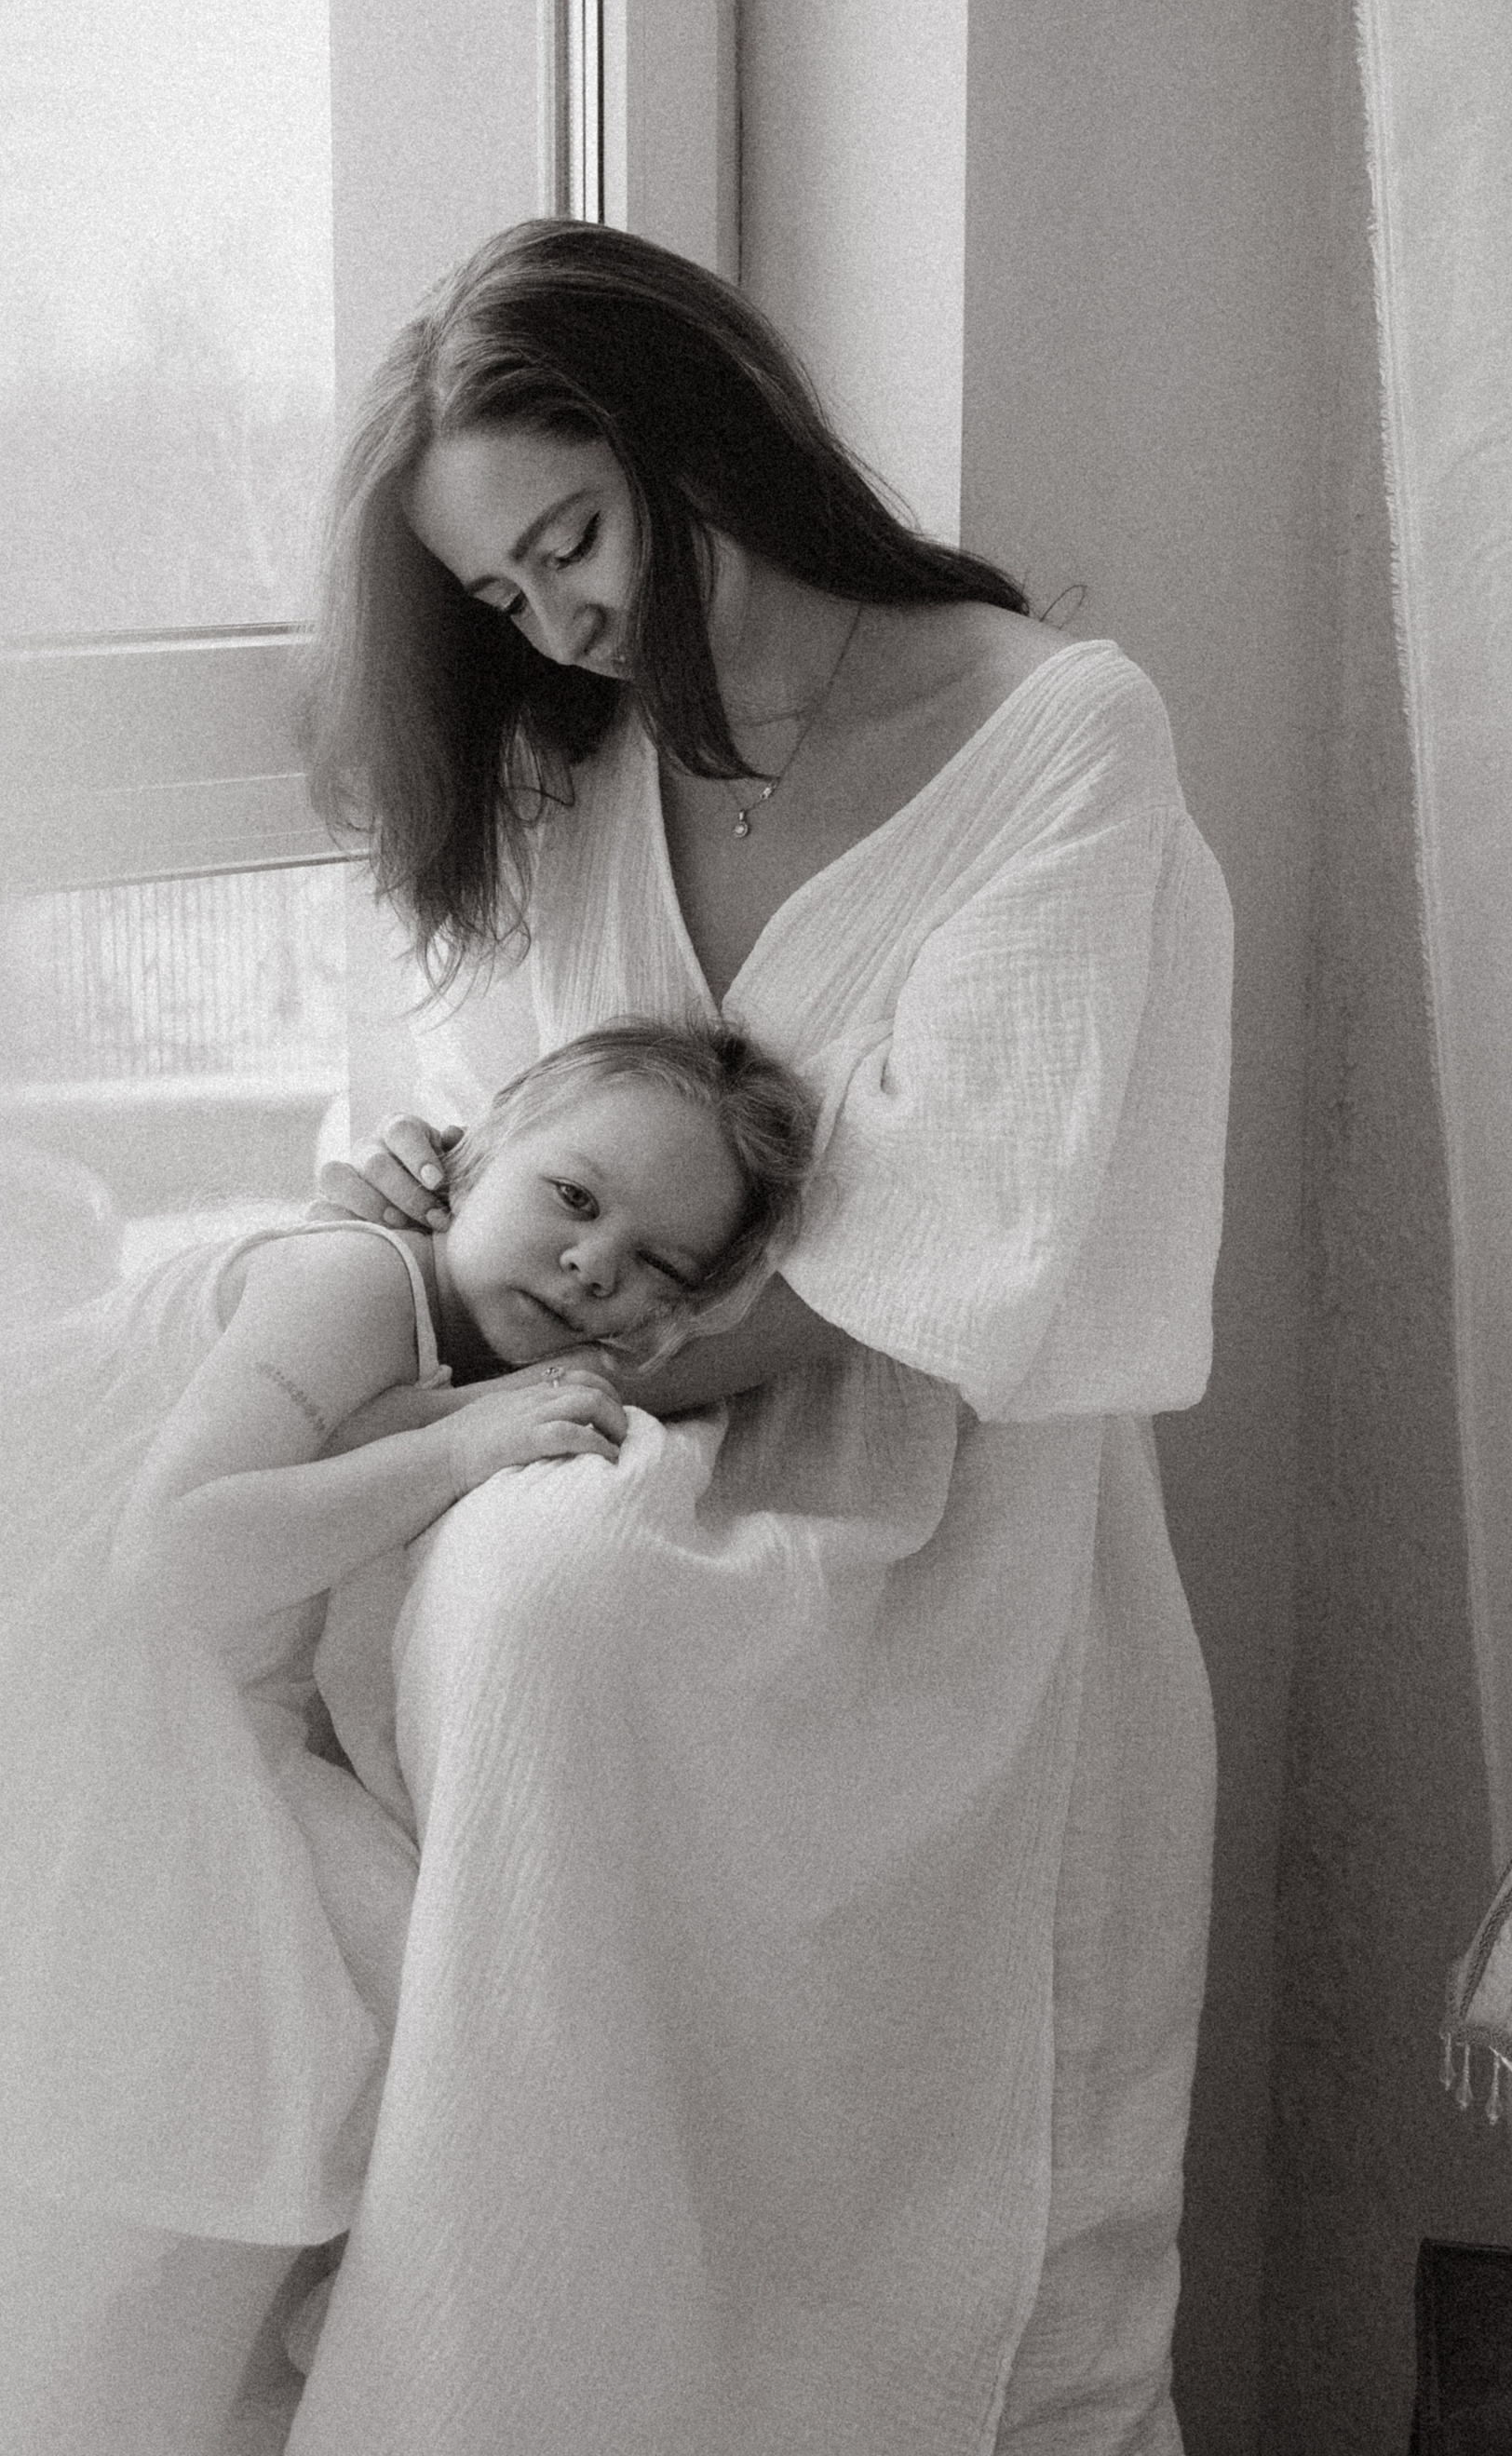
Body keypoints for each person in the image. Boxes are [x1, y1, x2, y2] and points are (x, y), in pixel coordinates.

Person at [294, 217, 1233, 2455]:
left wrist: (537, 1367)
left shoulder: (1054, 735)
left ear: (698, 433)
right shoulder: (566, 768)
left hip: (928, 1525)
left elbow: (961, 1242)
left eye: (572, 542)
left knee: (551, 1595)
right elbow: (467, 1123)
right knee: (491, 1598)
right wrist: (422, 1202)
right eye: (500, 597)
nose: (558, 622)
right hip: (584, 1462)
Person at [0, 1015, 816, 2456]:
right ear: (467, 1159)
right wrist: (453, 1449)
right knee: (236, 2057)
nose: (595, 1264)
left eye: (659, 1265)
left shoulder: (461, 1347)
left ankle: (224, 2362)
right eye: (572, 1196)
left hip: (136, 1683)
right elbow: (178, 1557)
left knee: (359, 2007)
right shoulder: (355, 1282)